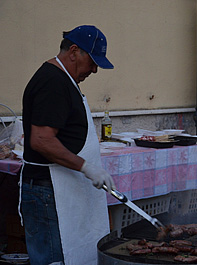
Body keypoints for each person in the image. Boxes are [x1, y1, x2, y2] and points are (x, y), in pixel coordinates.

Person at [20, 25, 116, 265]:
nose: (94, 69)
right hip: (47, 191)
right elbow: (41, 140)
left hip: (57, 188)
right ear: (74, 51)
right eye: (93, 62)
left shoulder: (65, 79)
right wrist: (86, 167)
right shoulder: (52, 82)